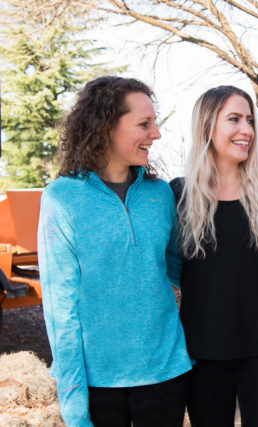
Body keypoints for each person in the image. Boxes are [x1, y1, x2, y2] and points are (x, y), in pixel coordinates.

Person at [37, 76, 192, 427]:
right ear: (106, 126)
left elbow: (172, 262)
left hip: (166, 374)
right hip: (99, 383)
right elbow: (59, 307)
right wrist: (74, 402)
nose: (156, 134)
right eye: (144, 124)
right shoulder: (62, 198)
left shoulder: (159, 195)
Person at [169, 86, 258, 426]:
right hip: (201, 346)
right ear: (207, 127)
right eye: (234, 119)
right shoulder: (177, 193)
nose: (246, 130)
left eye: (250, 120)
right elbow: (165, 268)